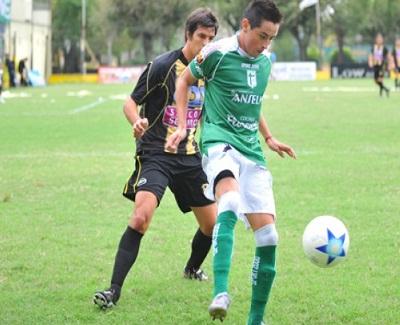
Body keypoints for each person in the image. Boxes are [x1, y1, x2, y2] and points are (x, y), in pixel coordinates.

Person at [166, 1, 296, 324]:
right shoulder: (217, 54)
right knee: (230, 201)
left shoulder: (264, 62)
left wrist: (268, 137)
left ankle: (256, 319)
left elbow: (252, 105)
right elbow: (184, 82)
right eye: (262, 35)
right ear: (246, 25)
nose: (266, 44)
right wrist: (183, 126)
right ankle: (220, 292)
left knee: (269, 238)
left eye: (272, 38)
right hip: (218, 141)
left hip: (251, 149)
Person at [93, 8, 219, 309]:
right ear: (188, 35)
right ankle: (113, 291)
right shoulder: (163, 66)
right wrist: (136, 121)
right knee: (141, 217)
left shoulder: (211, 69)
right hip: (156, 155)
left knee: (212, 226)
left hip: (189, 157)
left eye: (211, 38)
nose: (205, 43)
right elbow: (130, 103)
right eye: (201, 36)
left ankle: (191, 268)